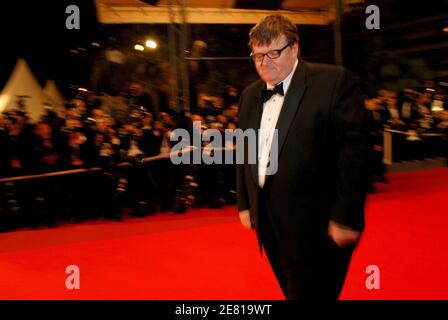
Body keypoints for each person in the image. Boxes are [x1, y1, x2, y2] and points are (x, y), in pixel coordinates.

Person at [236, 14, 368, 300]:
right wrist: (245, 203)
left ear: (295, 48)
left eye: (273, 53)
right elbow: (244, 151)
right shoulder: (249, 96)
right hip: (268, 221)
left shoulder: (333, 81)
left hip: (317, 222)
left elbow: (354, 154)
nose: (264, 63)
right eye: (257, 55)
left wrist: (346, 216)